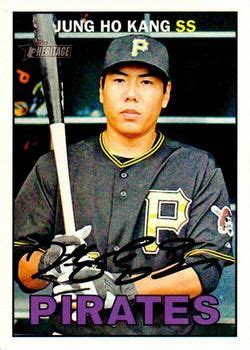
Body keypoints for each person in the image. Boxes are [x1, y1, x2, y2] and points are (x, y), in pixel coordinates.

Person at [14, 34, 234, 336]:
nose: (131, 94)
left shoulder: (198, 168)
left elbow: (205, 272)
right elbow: (24, 273)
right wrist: (47, 262)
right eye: (119, 81)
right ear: (101, 90)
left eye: (146, 82)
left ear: (166, 94)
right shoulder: (56, 166)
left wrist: (121, 289)